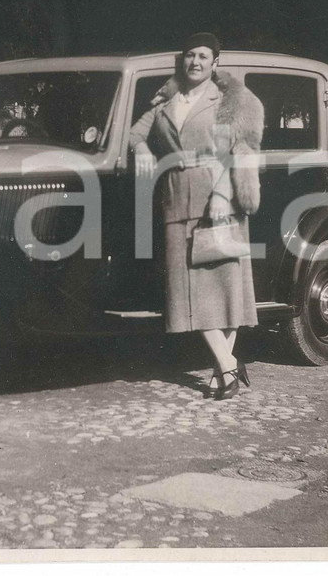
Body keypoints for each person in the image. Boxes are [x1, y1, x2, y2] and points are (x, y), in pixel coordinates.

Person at [129, 32, 264, 400]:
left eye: (204, 56)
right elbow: (135, 133)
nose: (196, 62)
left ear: (216, 62)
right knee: (186, 289)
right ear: (183, 59)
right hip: (176, 198)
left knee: (225, 287)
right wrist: (141, 148)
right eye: (190, 55)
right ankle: (229, 364)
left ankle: (226, 366)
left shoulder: (226, 101)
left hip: (218, 196)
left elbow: (234, 150)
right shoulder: (166, 100)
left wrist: (222, 194)